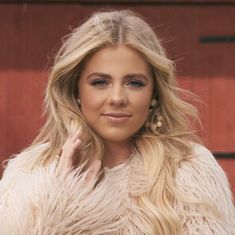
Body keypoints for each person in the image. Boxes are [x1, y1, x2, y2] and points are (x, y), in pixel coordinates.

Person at [0, 10, 234, 235]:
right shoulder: (28, 173)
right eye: (100, 82)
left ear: (154, 93)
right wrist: (59, 203)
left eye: (134, 83)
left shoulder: (190, 171)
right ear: (75, 90)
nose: (117, 98)